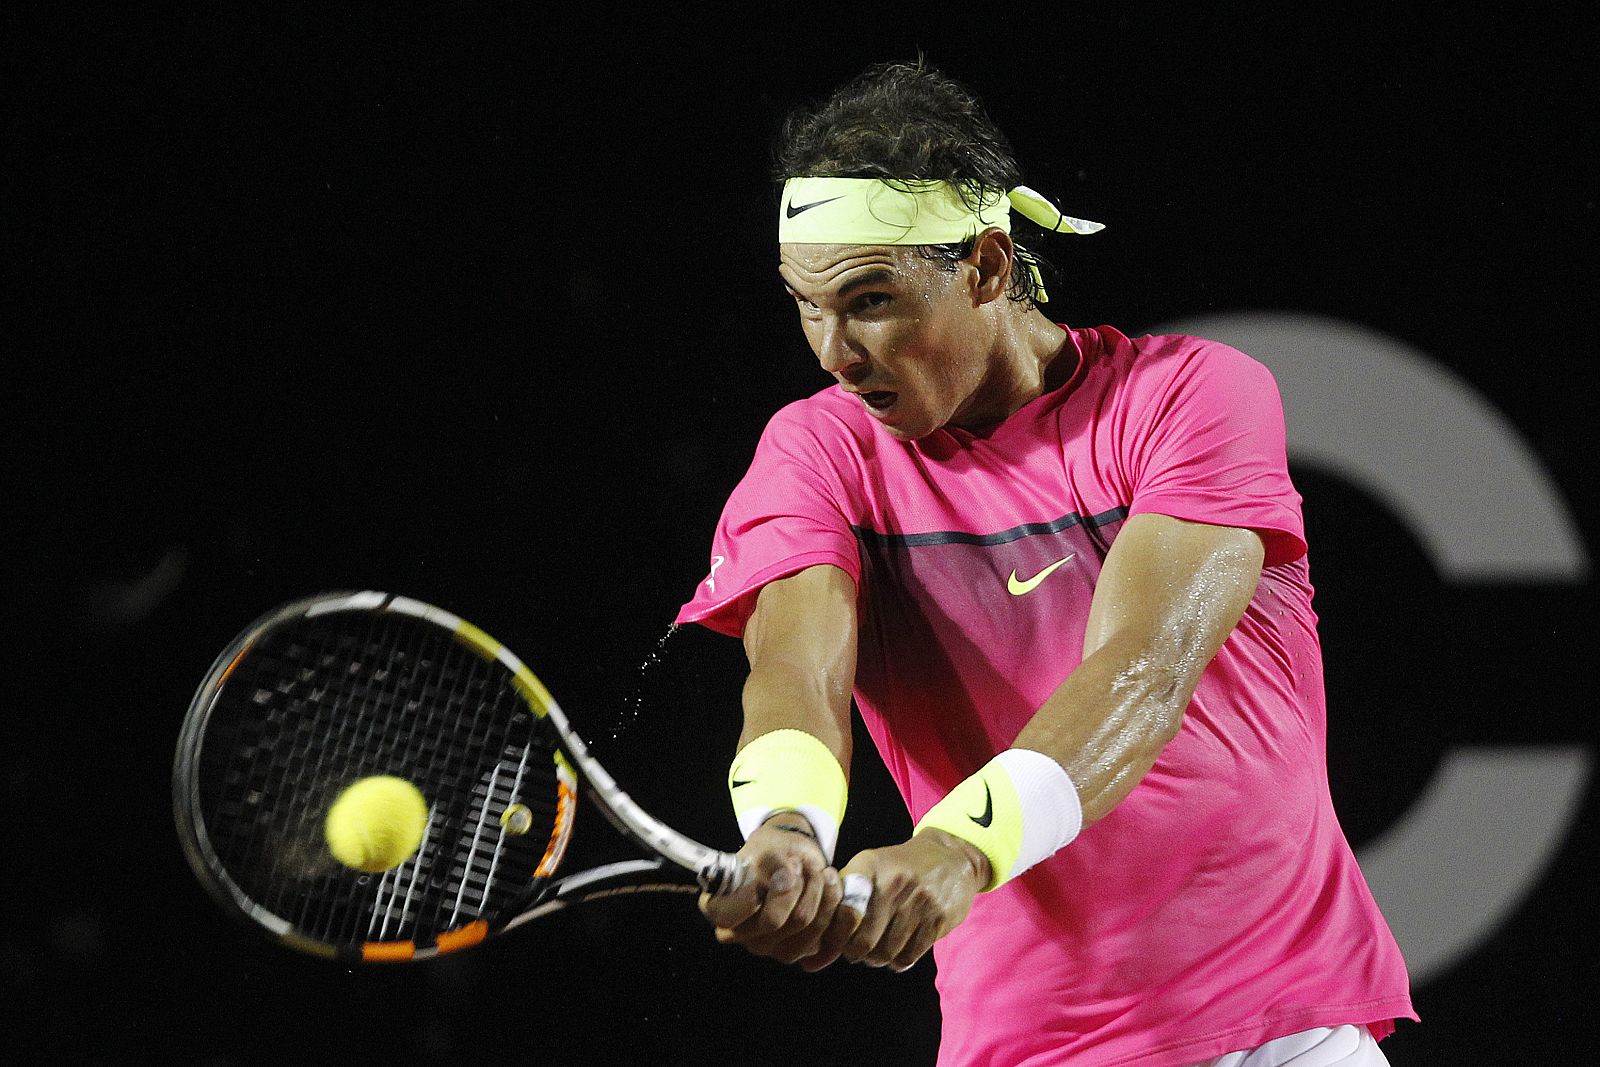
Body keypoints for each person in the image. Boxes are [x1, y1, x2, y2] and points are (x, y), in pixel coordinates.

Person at [677, 59, 1416, 1067]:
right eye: (806, 305)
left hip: (1277, 1031)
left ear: (985, 267)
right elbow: (797, 671)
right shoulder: (816, 451)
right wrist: (786, 825)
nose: (832, 351)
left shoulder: (1189, 396)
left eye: (869, 300)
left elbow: (1144, 674)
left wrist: (956, 845)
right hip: (1026, 1045)